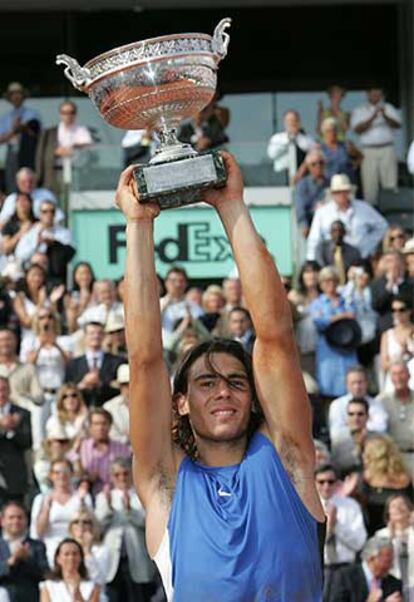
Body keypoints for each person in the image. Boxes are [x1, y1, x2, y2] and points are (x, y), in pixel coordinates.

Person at [116, 152, 325, 600]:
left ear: (253, 398)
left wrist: (232, 206)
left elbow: (274, 336)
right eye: (206, 383)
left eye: (236, 381)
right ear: (181, 403)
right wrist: (138, 225)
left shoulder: (288, 460)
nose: (223, 391)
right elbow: (145, 359)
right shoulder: (164, 483)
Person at [95, 458, 156, 602]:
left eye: (125, 473)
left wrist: (130, 511)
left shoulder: (142, 495)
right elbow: (98, 526)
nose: (122, 478)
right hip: (113, 561)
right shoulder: (103, 496)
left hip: (137, 557)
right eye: (117, 475)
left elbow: (148, 523)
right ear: (111, 477)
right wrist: (108, 507)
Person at [307, 173, 388, 261]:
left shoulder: (363, 208)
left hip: (360, 257)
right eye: (337, 192)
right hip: (332, 259)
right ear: (332, 194)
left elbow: (383, 226)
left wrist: (368, 245)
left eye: (344, 191)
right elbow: (314, 240)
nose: (341, 195)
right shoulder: (322, 213)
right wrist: (312, 261)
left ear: (349, 191)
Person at [314, 464, 367, 600]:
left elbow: (359, 543)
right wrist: (327, 528)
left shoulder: (350, 506)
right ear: (314, 482)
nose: (326, 486)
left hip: (346, 569)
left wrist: (336, 526)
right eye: (321, 482)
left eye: (330, 482)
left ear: (337, 483)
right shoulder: (307, 506)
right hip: (317, 569)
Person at [30, 458, 92, 566]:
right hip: (51, 542)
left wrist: (82, 504)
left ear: (72, 474)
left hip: (77, 541)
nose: (61, 476)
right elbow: (38, 532)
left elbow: (90, 526)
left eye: (65, 472)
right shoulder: (41, 499)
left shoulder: (82, 497)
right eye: (57, 472)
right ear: (51, 475)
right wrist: (46, 507)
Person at [310, 266, 358, 399]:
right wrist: (341, 316)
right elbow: (319, 322)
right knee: (328, 388)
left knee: (351, 385)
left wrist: (334, 318)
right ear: (321, 284)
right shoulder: (317, 303)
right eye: (326, 281)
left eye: (333, 280)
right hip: (328, 350)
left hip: (348, 347)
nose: (330, 284)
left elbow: (353, 315)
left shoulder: (345, 300)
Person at [351, 87, 401, 205]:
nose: (376, 96)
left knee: (390, 183)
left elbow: (398, 124)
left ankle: (391, 210)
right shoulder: (360, 110)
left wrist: (385, 115)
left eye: (378, 93)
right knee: (370, 186)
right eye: (373, 93)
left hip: (387, 148)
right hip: (368, 150)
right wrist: (373, 116)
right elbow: (357, 129)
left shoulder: (388, 108)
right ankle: (372, 212)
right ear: (368, 94)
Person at [35, 100, 92, 199]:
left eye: (71, 112)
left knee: (73, 200)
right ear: (60, 114)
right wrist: (56, 152)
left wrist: (73, 147)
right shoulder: (50, 133)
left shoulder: (81, 130)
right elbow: (41, 154)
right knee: (52, 200)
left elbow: (88, 145)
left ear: (75, 114)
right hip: (53, 172)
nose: (68, 115)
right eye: (64, 112)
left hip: (76, 173)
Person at [66, 408, 130, 496]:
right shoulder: (81, 447)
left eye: (104, 423)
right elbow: (69, 473)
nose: (100, 427)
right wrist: (87, 476)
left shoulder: (122, 449)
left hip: (115, 496)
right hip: (86, 495)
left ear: (110, 425)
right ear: (90, 426)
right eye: (96, 424)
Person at [359, 435, 412, 534]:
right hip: (377, 534)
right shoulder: (365, 479)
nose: (363, 457)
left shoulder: (406, 478)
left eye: (366, 454)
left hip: (404, 532)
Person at [15, 199, 75, 286]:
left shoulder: (64, 233)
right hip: (32, 274)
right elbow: (19, 254)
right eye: (45, 211)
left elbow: (70, 253)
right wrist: (36, 244)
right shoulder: (31, 233)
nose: (49, 214)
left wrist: (54, 244)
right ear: (39, 214)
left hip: (54, 275)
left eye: (52, 211)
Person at [65, 322, 125, 408]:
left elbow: (121, 388)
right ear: (85, 336)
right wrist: (83, 384)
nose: (96, 336)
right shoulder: (73, 364)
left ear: (104, 336)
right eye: (92, 333)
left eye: (99, 333)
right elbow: (66, 389)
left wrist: (101, 384)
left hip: (108, 408)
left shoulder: (116, 361)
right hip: (82, 409)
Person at [328, 536, 403, 602]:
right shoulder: (344, 578)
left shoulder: (394, 583)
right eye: (387, 561)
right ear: (371, 558)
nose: (391, 566)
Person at [0, 500, 48, 602]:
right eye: (11, 517)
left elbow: (44, 574)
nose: (16, 521)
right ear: (2, 521)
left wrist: (27, 559)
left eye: (20, 517)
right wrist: (11, 562)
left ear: (26, 521)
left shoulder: (37, 546)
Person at [0, 83, 41, 194]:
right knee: (12, 182)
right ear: (10, 98)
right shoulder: (6, 117)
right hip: (12, 152)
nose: (16, 97)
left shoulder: (32, 114)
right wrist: (14, 130)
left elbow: (39, 135)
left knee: (28, 180)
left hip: (28, 151)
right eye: (13, 94)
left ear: (23, 96)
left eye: (18, 94)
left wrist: (25, 128)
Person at [328, 365, 387, 442]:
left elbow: (381, 428)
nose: (357, 387)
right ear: (346, 384)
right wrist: (366, 427)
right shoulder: (337, 405)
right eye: (353, 383)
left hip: (371, 446)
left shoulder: (376, 404)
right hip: (345, 447)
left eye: (360, 382)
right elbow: (336, 433)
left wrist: (351, 427)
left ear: (366, 383)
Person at [378, 362, 414, 477]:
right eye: (394, 374)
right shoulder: (382, 402)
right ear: (390, 378)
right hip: (393, 458)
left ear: (409, 376)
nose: (398, 377)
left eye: (402, 373)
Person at [0, 376, 32, 506]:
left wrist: (11, 431)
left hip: (14, 477)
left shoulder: (22, 413)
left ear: (9, 391)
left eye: (4, 389)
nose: (1, 393)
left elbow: (27, 442)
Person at [375, 495, 414, 600]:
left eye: (402, 504)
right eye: (393, 506)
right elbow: (379, 563)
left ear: (410, 510)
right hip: (392, 586)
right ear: (388, 513)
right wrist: (391, 538)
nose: (398, 508)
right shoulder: (381, 535)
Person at [39, 538, 101, 602]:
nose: (71, 558)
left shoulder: (92, 586)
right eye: (66, 554)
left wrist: (77, 593)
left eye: (75, 554)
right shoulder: (48, 587)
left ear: (80, 558)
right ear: (58, 559)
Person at [68, 508, 111, 598]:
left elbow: (99, 579)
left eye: (85, 522)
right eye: (76, 522)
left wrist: (87, 551)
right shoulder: (65, 548)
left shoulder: (101, 550)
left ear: (92, 526)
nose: (81, 525)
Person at [288, 260, 320, 375]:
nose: (311, 275)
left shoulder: (325, 295)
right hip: (302, 350)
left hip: (324, 350)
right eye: (307, 272)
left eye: (315, 271)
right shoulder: (294, 296)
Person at [370, 251, 414, 335]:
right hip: (386, 328)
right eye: (389, 261)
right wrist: (389, 286)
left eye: (396, 260)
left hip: (409, 329)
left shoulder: (410, 283)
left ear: (402, 263)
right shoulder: (376, 284)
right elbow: (376, 306)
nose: (393, 264)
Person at [267, 109, 315, 184]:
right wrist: (288, 140)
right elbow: (271, 154)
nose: (292, 123)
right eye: (289, 121)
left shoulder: (306, 138)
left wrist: (296, 136)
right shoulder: (277, 138)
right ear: (285, 122)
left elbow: (312, 150)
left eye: (294, 120)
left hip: (303, 176)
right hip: (281, 176)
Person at [330, 397, 373, 474]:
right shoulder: (338, 442)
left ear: (367, 416)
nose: (356, 418)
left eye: (360, 414)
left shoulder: (379, 440)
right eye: (351, 414)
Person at [379, 299, 414, 393]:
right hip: (395, 381)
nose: (397, 313)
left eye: (401, 310)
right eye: (393, 310)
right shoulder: (387, 334)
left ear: (410, 311)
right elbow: (383, 364)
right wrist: (399, 357)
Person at [294, 148, 329, 236]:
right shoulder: (303, 185)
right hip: (311, 225)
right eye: (314, 164)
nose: (318, 166)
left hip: (329, 224)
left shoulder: (331, 182)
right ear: (308, 167)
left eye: (321, 163)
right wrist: (304, 225)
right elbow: (300, 208)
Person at [319, 117, 362, 183]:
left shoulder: (345, 145)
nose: (332, 133)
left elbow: (360, 156)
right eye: (329, 131)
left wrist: (354, 167)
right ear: (323, 133)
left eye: (334, 130)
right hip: (329, 184)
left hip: (347, 183)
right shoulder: (319, 149)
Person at [1, 192, 37, 257]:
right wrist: (21, 232)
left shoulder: (37, 222)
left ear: (31, 203)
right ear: (15, 204)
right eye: (19, 200)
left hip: (35, 257)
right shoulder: (9, 225)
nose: (22, 203)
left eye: (25, 200)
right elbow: (6, 248)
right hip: (14, 260)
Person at [103, 365, 130, 445]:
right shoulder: (109, 407)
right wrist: (128, 438)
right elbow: (110, 436)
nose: (129, 388)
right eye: (125, 385)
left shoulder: (150, 407)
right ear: (120, 387)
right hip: (118, 453)